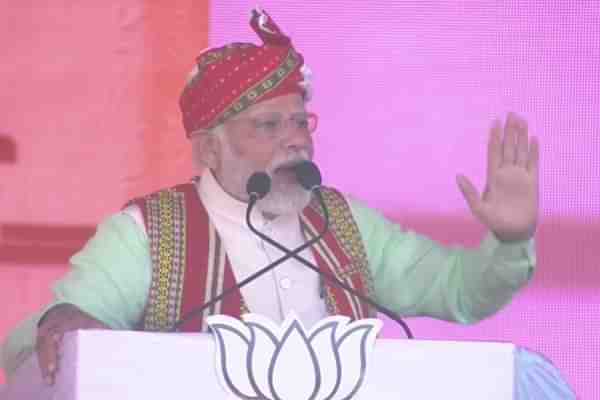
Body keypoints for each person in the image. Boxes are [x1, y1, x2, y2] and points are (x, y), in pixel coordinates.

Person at [1, 8, 538, 386]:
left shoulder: (344, 222)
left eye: (301, 122)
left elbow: (461, 291)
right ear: (211, 150)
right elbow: (49, 335)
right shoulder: (149, 231)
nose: (297, 140)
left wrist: (510, 240)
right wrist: (62, 321)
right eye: (269, 126)